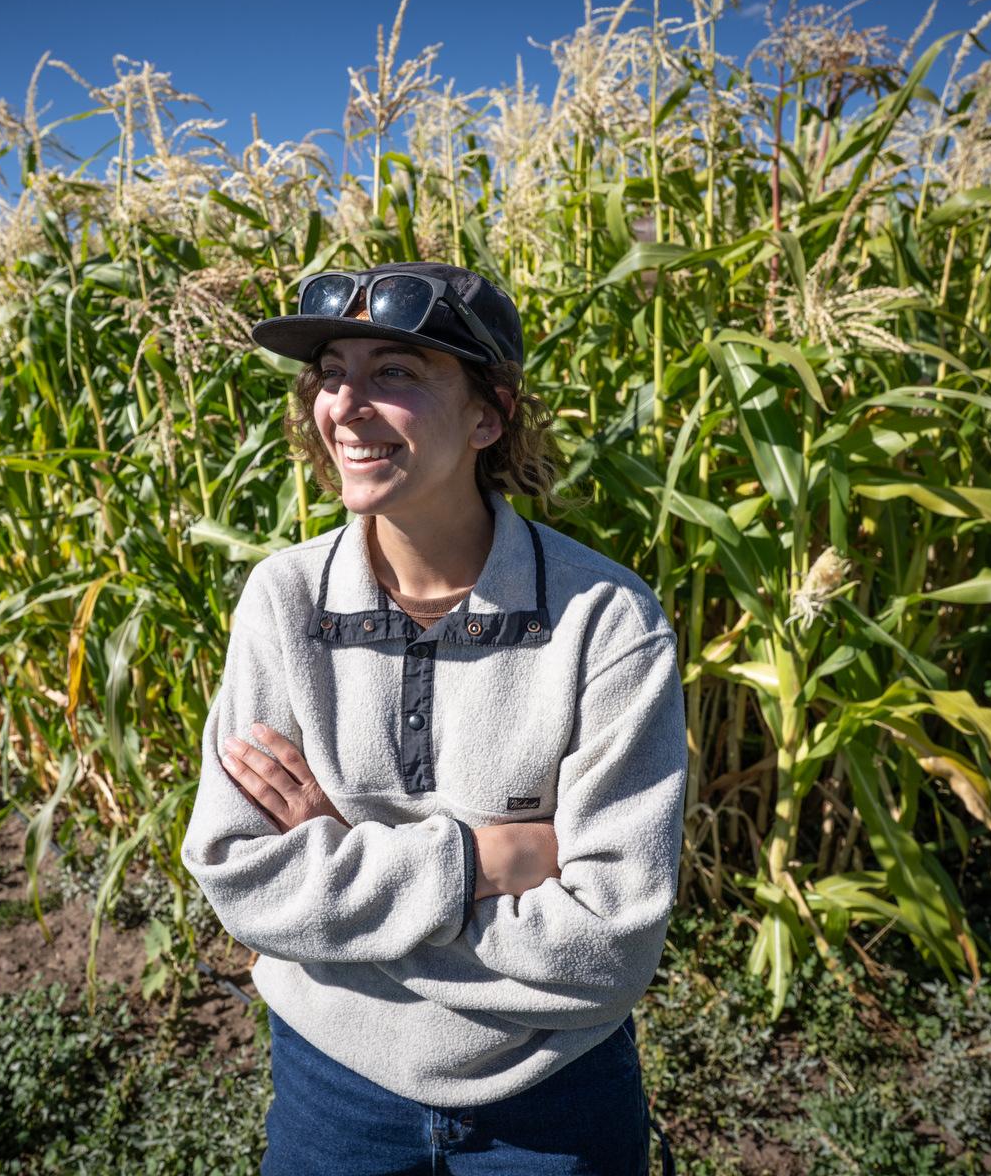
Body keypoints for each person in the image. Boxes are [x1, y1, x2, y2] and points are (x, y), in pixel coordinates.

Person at [179, 260, 687, 1175]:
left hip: (552, 1098)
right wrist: (482, 862)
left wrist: (339, 857)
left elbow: (610, 948)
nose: (346, 404)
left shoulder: (606, 621)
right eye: (333, 372)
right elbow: (241, 872)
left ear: (488, 415)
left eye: (397, 373)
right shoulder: (283, 602)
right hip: (336, 1085)